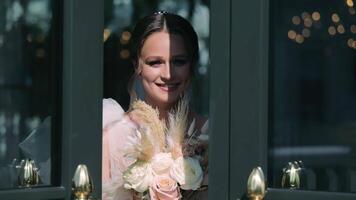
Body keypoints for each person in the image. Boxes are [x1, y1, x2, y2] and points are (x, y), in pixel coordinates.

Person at [102, 11, 208, 200]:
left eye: (179, 61)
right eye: (155, 62)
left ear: (191, 66)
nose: (168, 74)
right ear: (137, 65)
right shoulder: (111, 135)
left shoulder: (210, 135)